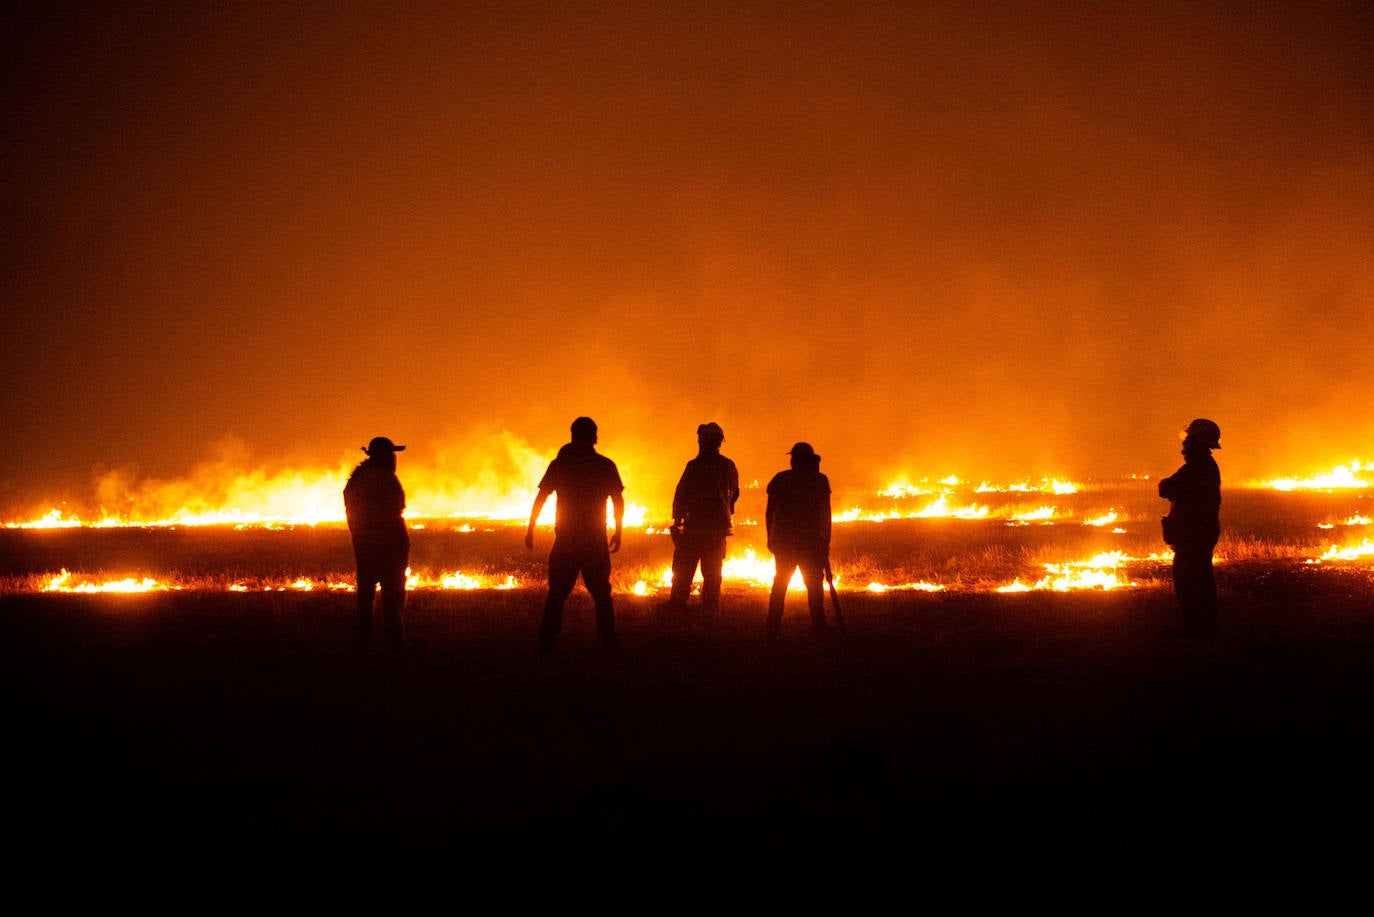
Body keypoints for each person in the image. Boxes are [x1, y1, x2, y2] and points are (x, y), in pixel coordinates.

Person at [525, 417, 625, 651]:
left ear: (572, 435)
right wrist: (618, 531)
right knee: (601, 592)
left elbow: (541, 498)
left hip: (566, 539)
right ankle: (607, 637)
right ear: (594, 437)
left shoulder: (560, 465)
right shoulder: (604, 465)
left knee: (557, 592)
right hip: (594, 539)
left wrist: (531, 528)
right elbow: (618, 500)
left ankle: (547, 639)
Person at [661, 422, 740, 613]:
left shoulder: (694, 466)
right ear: (719, 442)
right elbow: (735, 493)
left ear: (701, 441)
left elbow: (681, 495)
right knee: (713, 572)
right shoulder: (728, 466)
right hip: (718, 528)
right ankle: (710, 606)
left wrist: (678, 519)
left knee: (683, 568)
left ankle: (678, 603)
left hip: (694, 528)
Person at [343, 436, 410, 654]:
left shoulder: (356, 481)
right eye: (391, 454)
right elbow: (398, 507)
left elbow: (350, 509)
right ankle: (395, 649)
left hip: (364, 547)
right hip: (389, 548)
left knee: (365, 598)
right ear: (384, 457)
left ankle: (361, 647)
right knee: (393, 600)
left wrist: (359, 535)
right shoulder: (386, 479)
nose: (393, 458)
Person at [1158, 418, 1222, 637]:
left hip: (1193, 535)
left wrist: (1166, 484)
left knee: (1190, 581)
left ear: (1196, 442)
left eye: (1187, 440)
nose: (1183, 446)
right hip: (1200, 533)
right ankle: (1204, 626)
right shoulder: (1204, 467)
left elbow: (1166, 489)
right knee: (1200, 579)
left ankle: (1195, 628)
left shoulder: (1195, 468)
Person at [765, 442, 833, 635]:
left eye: (793, 457)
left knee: (781, 583)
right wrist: (825, 541)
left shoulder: (780, 480)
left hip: (785, 541)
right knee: (813, 584)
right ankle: (819, 624)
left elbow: (769, 513)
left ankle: (772, 625)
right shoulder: (819, 481)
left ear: (796, 460)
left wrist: (771, 537)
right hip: (810, 542)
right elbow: (825, 515)